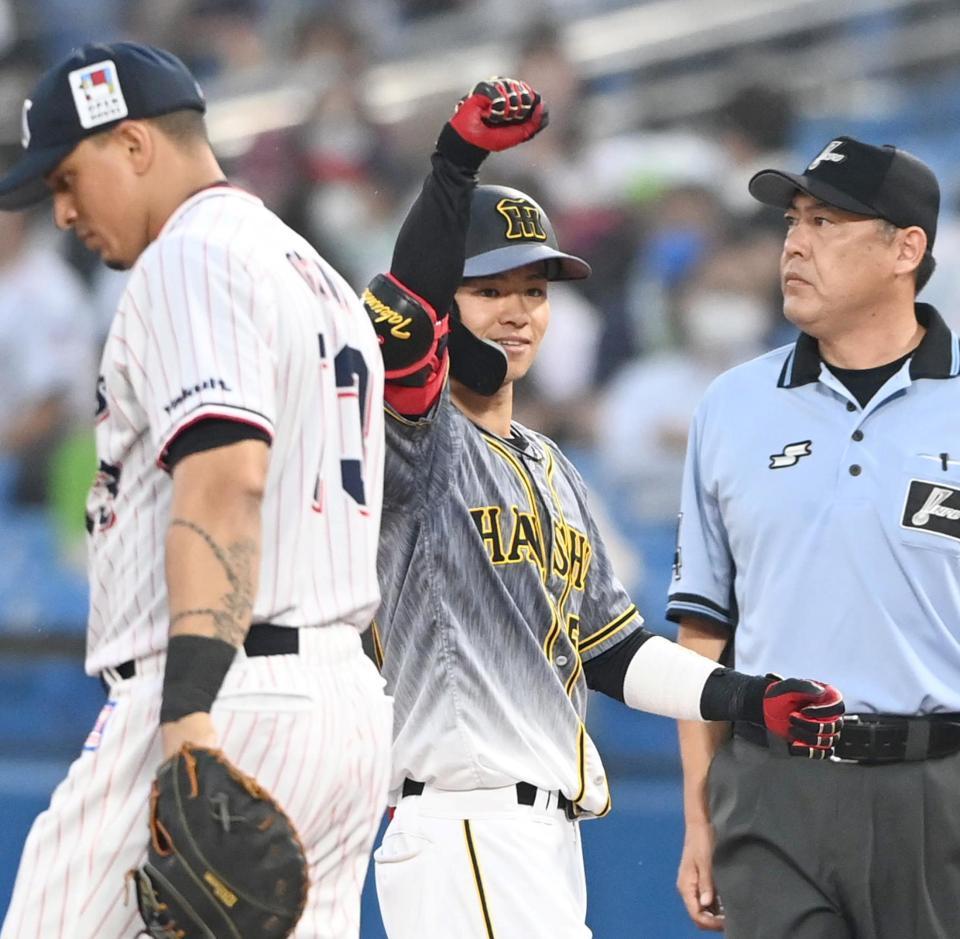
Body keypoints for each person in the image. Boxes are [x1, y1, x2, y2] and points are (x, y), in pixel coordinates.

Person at [361, 78, 844, 939]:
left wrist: (747, 697)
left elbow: (614, 651)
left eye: (536, 291)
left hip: (544, 833)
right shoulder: (416, 436)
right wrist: (455, 162)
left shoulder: (553, 467)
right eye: (492, 290)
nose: (518, 312)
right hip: (460, 819)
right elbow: (405, 314)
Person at [0, 41, 391, 938]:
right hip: (341, 704)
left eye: (66, 178)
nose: (61, 213)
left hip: (220, 692)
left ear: (133, 144)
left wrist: (187, 715)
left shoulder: (191, 257)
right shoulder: (315, 272)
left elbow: (226, 477)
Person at [671, 136, 960, 938]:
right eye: (793, 220)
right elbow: (702, 634)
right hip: (773, 790)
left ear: (907, 248)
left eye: (827, 222)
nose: (794, 242)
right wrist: (699, 816)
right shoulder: (729, 406)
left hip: (938, 787)